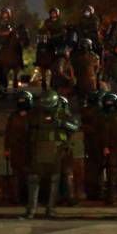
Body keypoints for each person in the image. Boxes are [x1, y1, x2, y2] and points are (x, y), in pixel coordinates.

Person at [26, 90, 78, 218]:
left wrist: (61, 123)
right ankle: (31, 210)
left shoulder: (62, 113)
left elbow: (74, 127)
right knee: (34, 179)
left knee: (54, 180)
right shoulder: (35, 114)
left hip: (56, 151)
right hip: (39, 150)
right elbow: (29, 130)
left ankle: (50, 209)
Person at [4, 91, 33, 204]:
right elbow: (8, 133)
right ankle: (18, 198)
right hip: (16, 150)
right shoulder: (13, 116)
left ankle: (29, 198)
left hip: (29, 149)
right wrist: (7, 149)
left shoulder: (33, 115)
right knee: (17, 175)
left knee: (29, 175)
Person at [79, 91, 104, 201]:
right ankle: (97, 191)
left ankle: (93, 191)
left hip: (90, 142)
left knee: (92, 168)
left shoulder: (86, 111)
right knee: (97, 168)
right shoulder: (99, 112)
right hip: (95, 142)